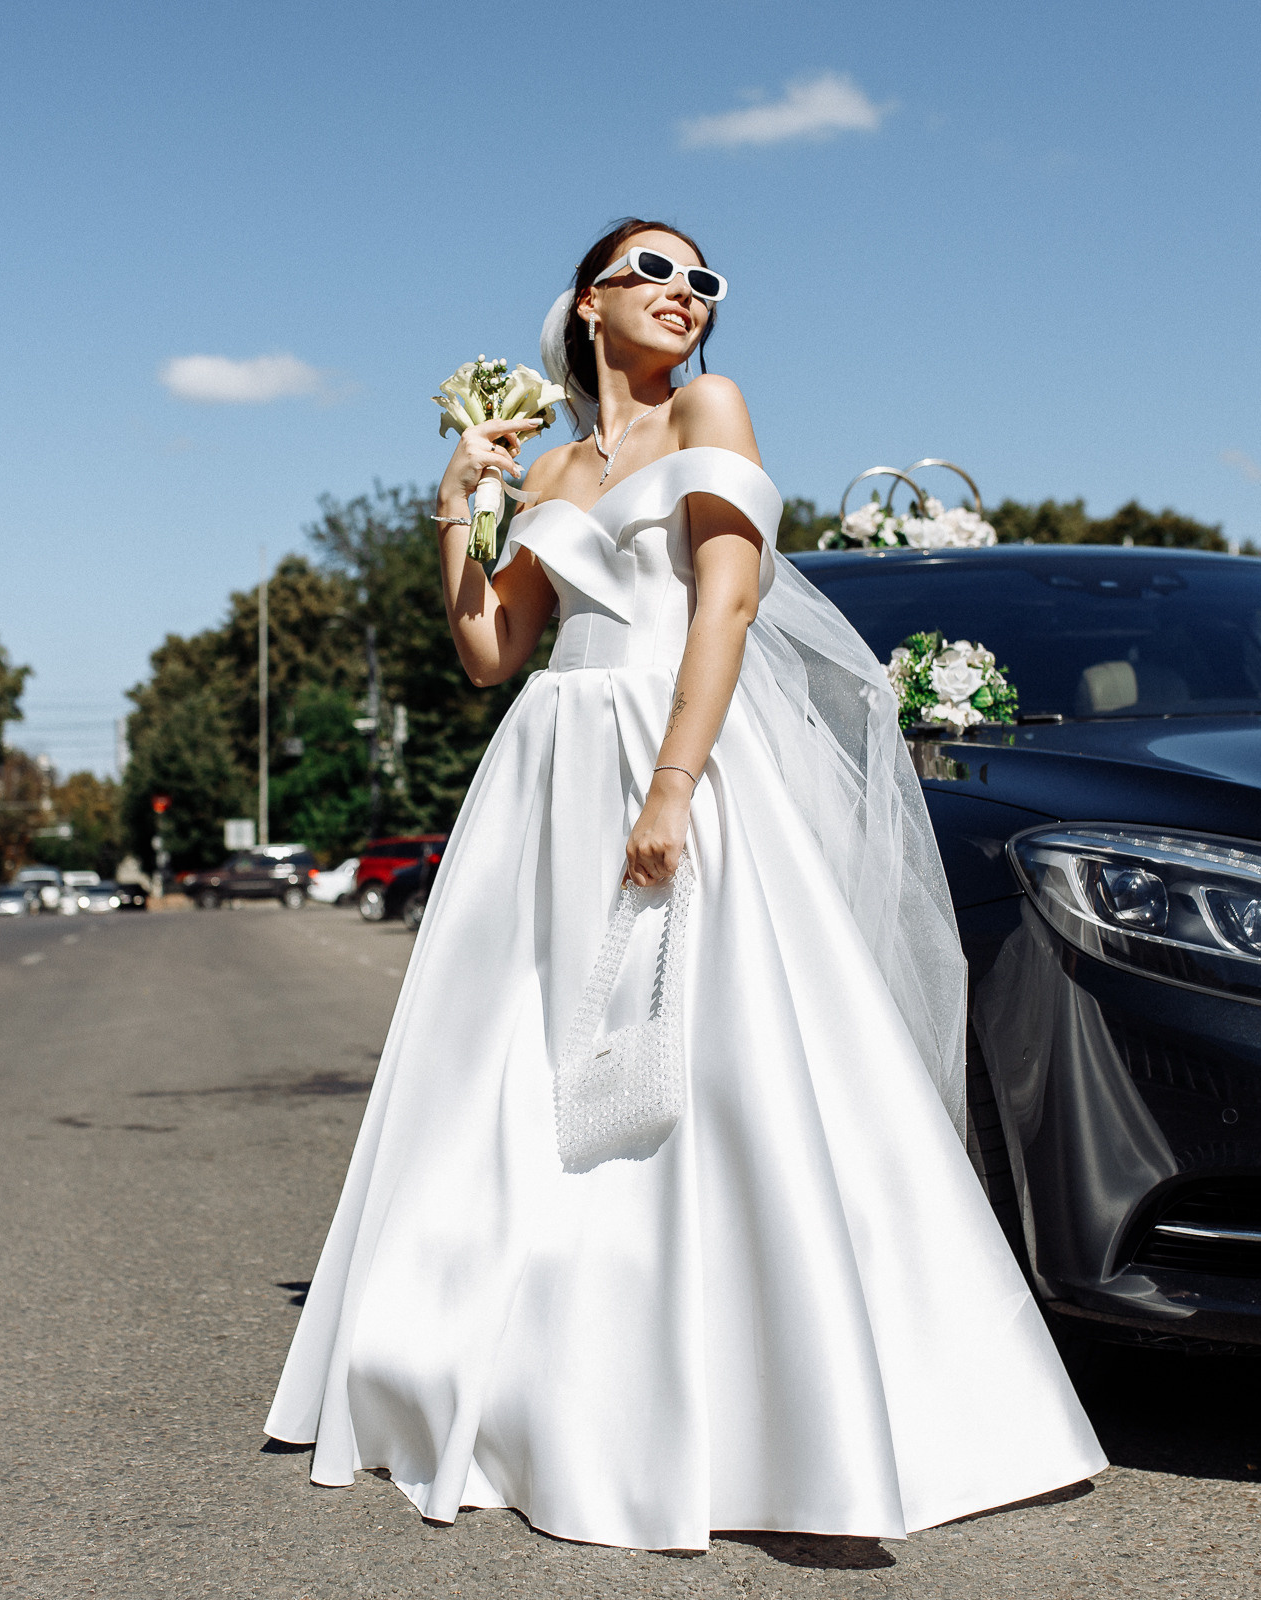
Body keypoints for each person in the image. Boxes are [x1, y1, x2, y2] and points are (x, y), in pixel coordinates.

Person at [267, 219, 1104, 1553]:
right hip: (549, 768)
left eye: (703, 281)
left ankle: (769, 1399)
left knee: (718, 1053)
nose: (686, 294)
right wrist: (458, 503)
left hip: (679, 751)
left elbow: (726, 603)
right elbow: (488, 650)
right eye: (653, 271)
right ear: (586, 304)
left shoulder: (711, 408)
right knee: (523, 1055)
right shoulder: (551, 467)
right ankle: (538, 1370)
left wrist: (672, 783)